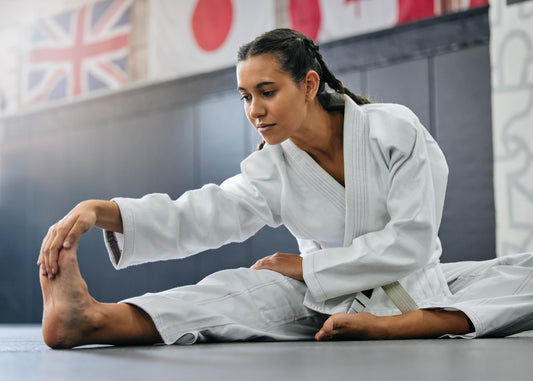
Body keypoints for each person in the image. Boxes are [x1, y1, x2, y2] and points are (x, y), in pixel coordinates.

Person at [38, 28, 533, 349]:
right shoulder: (271, 167)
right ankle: (91, 320)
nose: (254, 110)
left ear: (310, 85)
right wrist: (104, 211)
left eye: (267, 92)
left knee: (522, 276)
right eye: (245, 97)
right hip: (323, 298)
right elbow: (203, 213)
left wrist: (304, 265)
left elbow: (412, 242)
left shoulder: (392, 131)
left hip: (408, 285)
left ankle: (408, 324)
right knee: (229, 292)